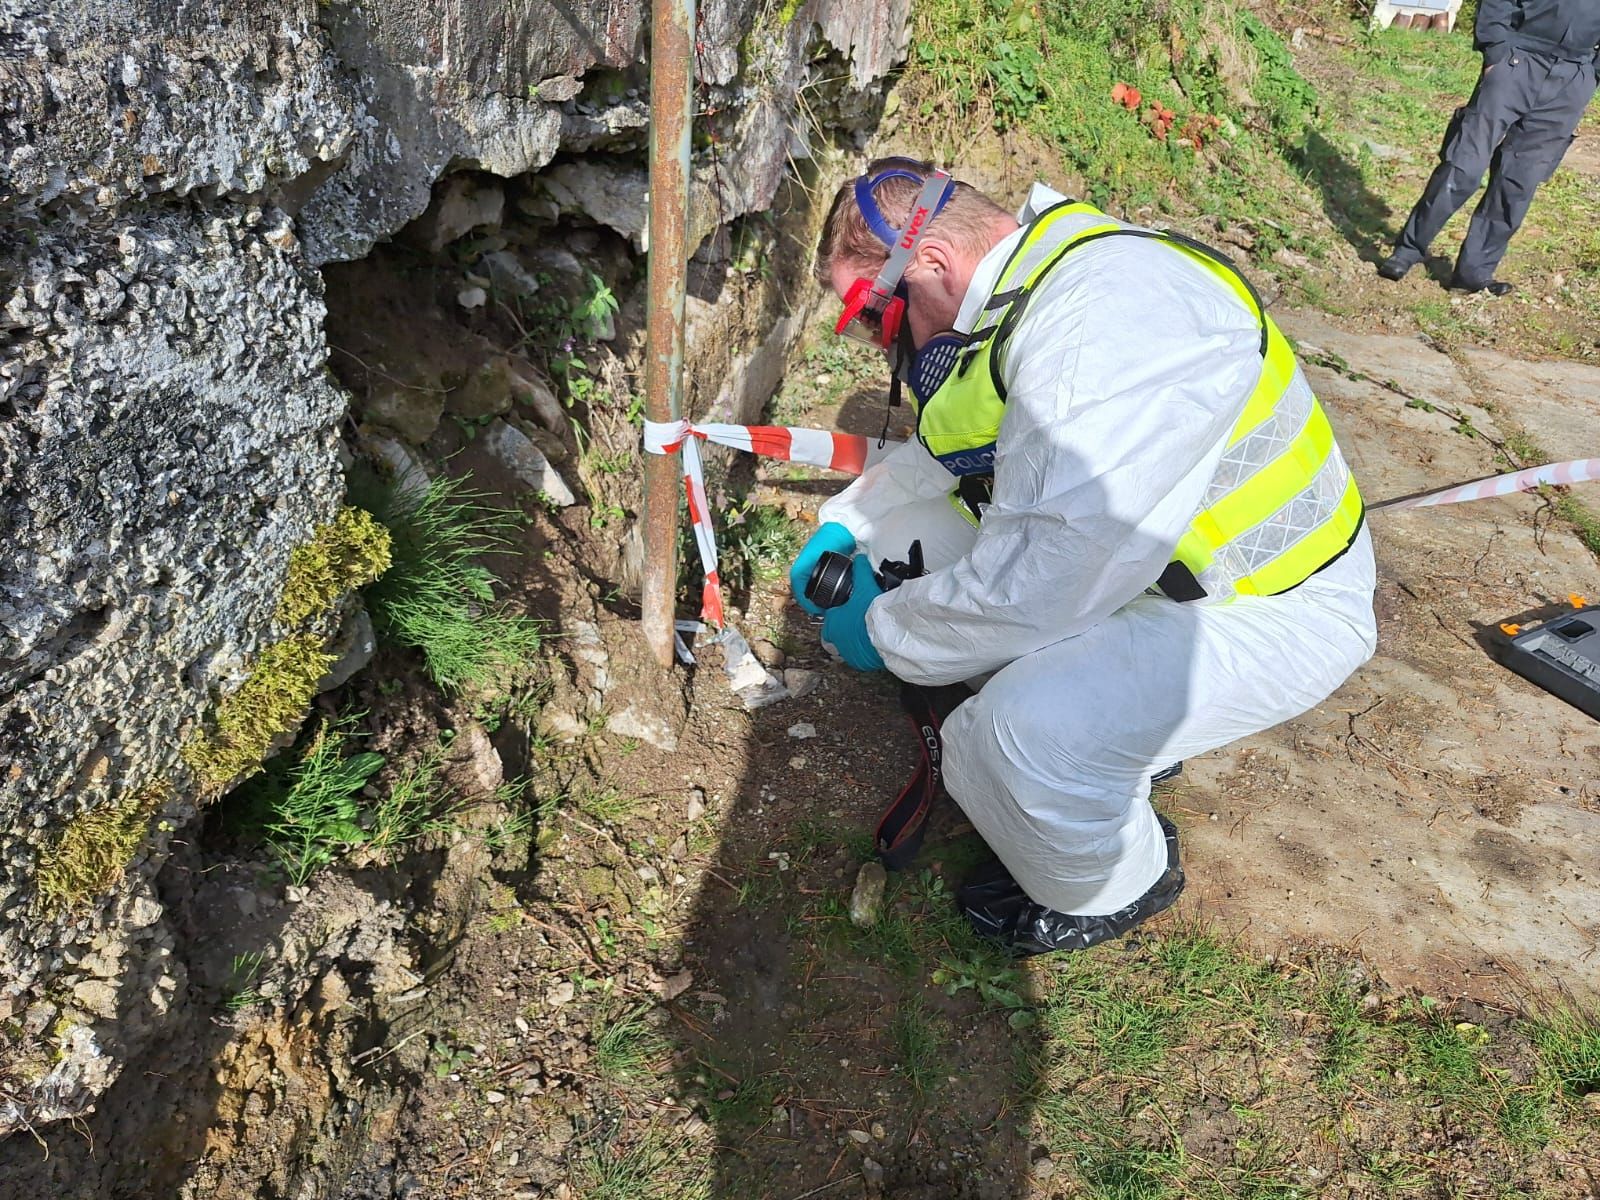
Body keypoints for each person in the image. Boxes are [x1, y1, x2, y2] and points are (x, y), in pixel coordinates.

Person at [791, 158, 1378, 956]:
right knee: (897, 545)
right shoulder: (1027, 284)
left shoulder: (1105, 325)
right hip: (1144, 578)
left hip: (1265, 605)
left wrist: (889, 632)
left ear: (930, 264)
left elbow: (1047, 579)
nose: (877, 342)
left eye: (875, 316)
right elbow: (949, 449)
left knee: (1014, 739)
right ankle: (1112, 740)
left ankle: (1122, 885)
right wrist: (847, 522)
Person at [1378, 0, 1600, 295]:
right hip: (1517, 61)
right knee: (1463, 165)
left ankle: (1473, 273)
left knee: (1519, 182)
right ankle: (1408, 250)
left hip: (1573, 78)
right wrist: (1495, 50)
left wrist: (1590, 77)